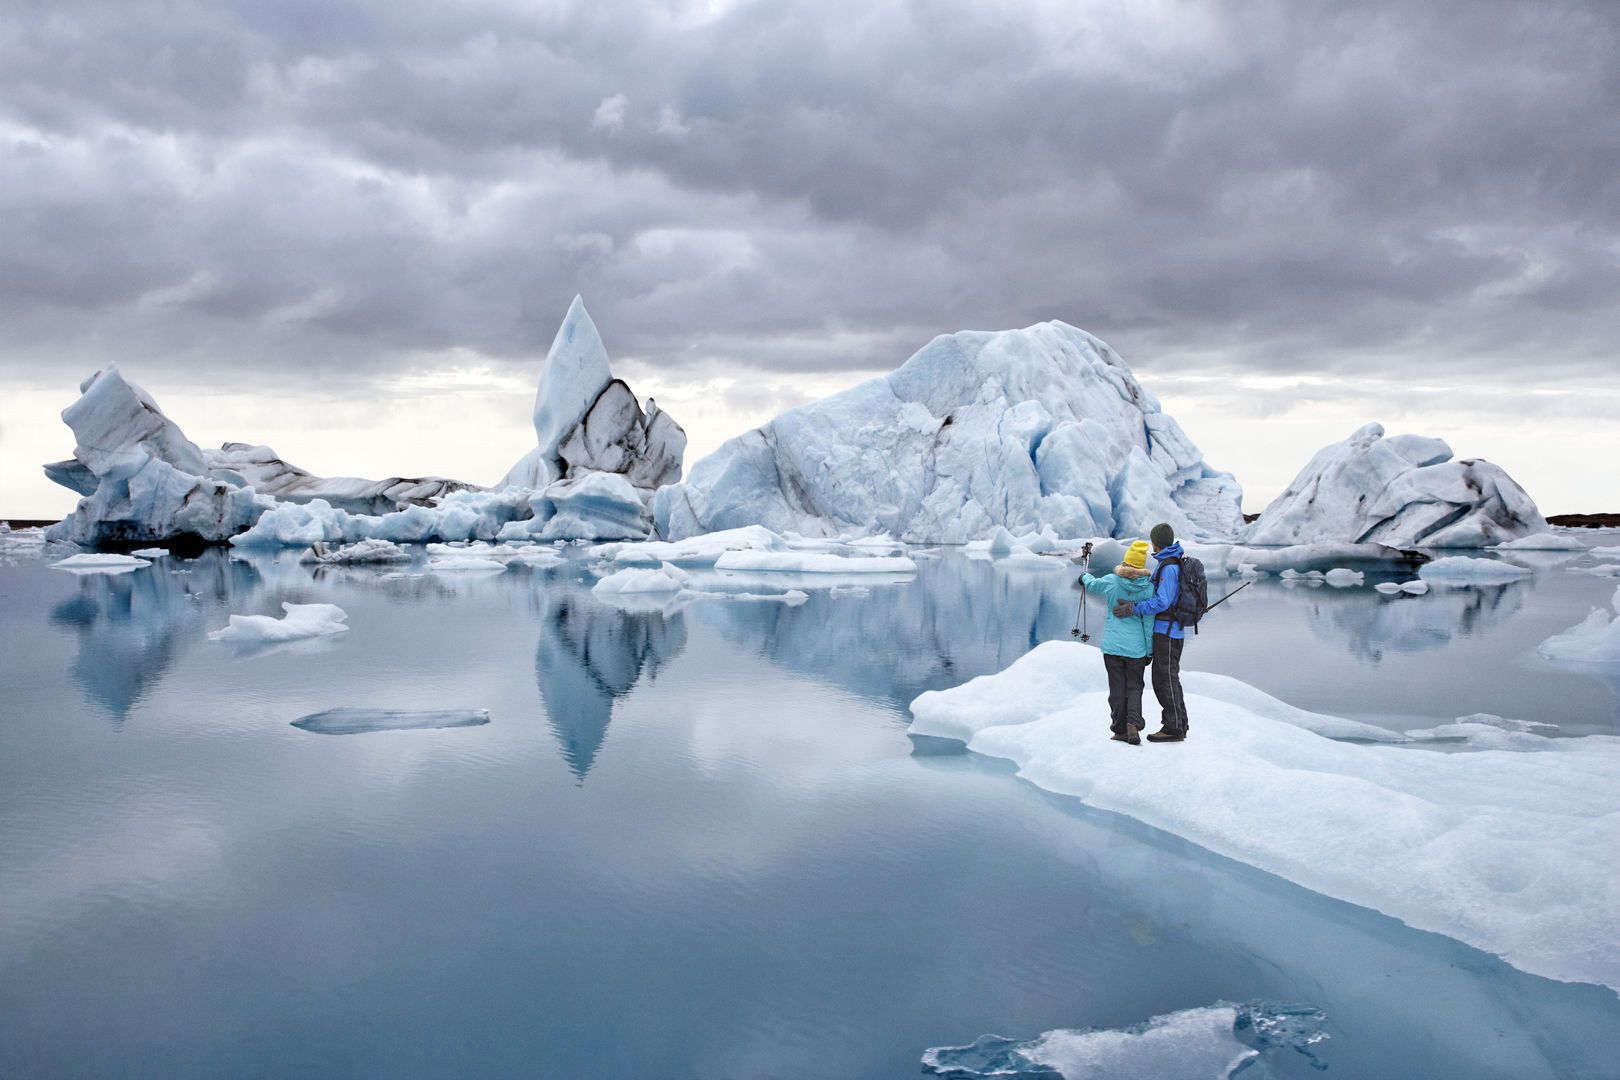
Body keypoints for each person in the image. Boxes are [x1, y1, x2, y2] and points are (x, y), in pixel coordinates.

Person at [1115, 522, 1189, 742]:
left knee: (1164, 679)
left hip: (1167, 633)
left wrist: (1133, 608)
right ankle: (1179, 724)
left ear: (1156, 542)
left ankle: (1173, 728)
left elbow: (1162, 602)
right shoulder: (1172, 562)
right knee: (1169, 678)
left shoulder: (1169, 567)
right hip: (1171, 631)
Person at [1081, 540, 1154, 745]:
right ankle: (1133, 725)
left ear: (1126, 562)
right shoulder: (1149, 589)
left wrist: (1084, 576)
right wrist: (1149, 650)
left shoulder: (1112, 580)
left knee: (1117, 688)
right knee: (1134, 687)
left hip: (1113, 647)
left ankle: (1119, 728)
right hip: (1137, 649)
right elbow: (1149, 622)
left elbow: (1092, 584)